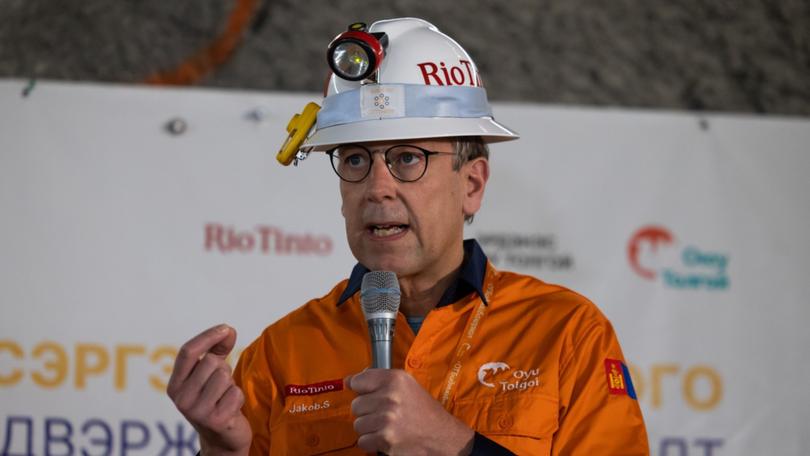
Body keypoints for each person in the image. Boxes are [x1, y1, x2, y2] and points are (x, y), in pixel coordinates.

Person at [167, 18, 649, 455]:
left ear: (472, 184)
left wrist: (455, 445)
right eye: (356, 159)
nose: (377, 188)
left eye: (407, 158)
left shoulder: (566, 334)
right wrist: (222, 452)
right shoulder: (280, 354)